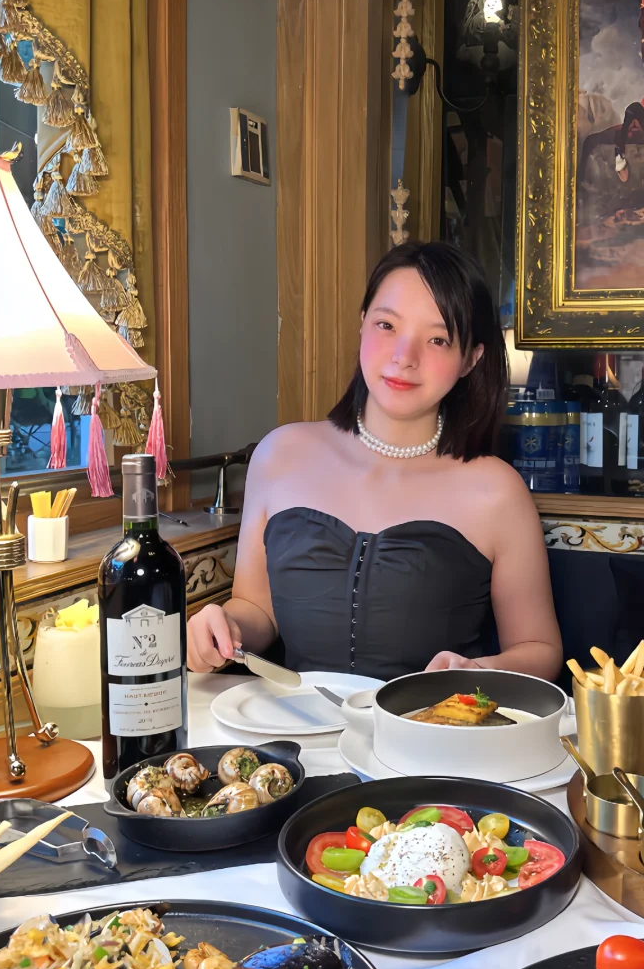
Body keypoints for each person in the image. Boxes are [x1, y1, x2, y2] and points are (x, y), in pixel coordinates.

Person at [187, 242, 563, 682]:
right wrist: (224, 626)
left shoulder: (497, 491)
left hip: (431, 723)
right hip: (295, 724)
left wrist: (476, 670)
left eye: (438, 339)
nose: (404, 356)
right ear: (362, 323)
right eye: (387, 325)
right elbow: (257, 609)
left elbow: (540, 650)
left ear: (471, 359)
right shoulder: (278, 455)